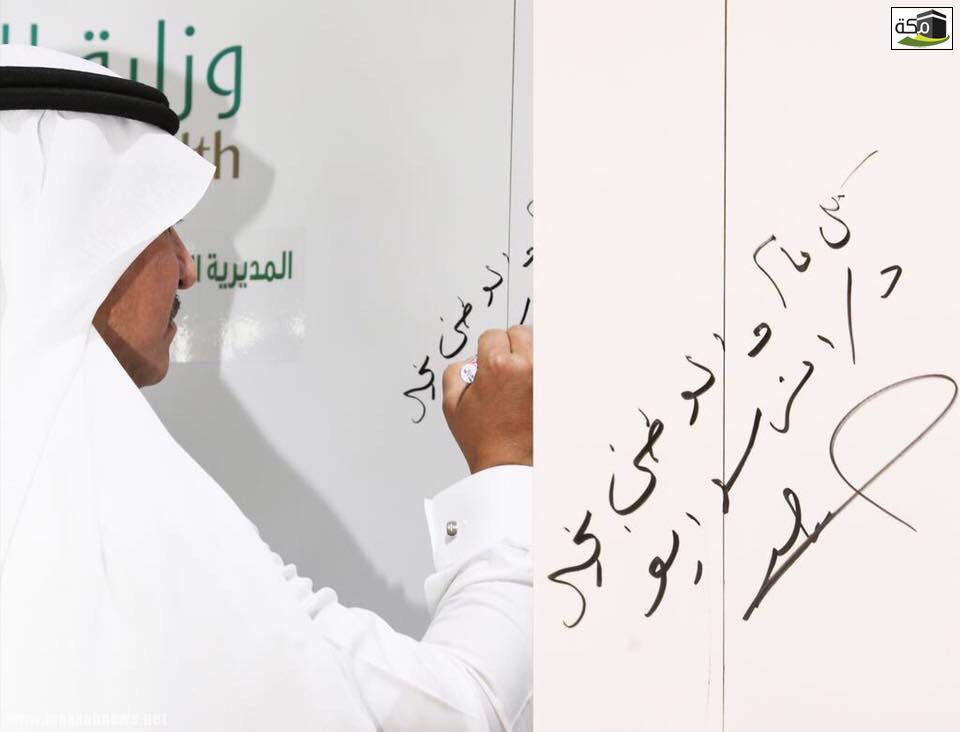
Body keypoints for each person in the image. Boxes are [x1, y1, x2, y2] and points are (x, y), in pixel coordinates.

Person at [0, 45, 532, 731]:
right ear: (72, 239)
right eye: (159, 224)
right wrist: (508, 464)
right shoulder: (130, 514)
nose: (188, 269)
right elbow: (454, 711)